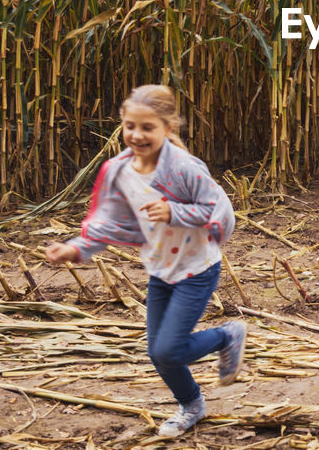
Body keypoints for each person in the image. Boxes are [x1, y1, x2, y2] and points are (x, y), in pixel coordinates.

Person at [44, 84, 245, 439]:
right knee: (159, 353)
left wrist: (175, 211)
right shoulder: (118, 171)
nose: (137, 135)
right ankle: (192, 405)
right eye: (130, 126)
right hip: (160, 270)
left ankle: (226, 335)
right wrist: (75, 249)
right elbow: (108, 220)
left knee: (169, 348)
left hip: (196, 269)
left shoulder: (184, 167)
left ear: (168, 129)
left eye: (147, 127)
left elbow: (218, 208)